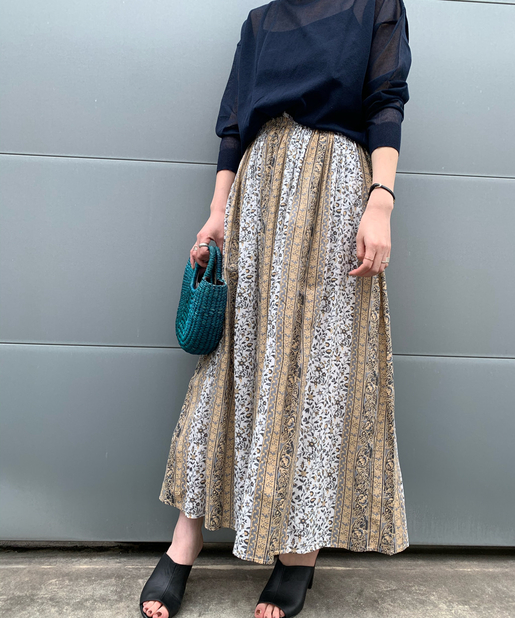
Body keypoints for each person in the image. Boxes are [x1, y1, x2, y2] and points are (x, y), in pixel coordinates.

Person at [140, 0, 412, 617]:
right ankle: (185, 541)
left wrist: (381, 200)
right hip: (258, 191)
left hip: (334, 190)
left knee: (320, 371)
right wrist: (217, 212)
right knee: (231, 366)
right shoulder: (260, 21)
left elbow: (385, 103)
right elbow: (234, 126)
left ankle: (299, 555)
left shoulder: (374, 5)